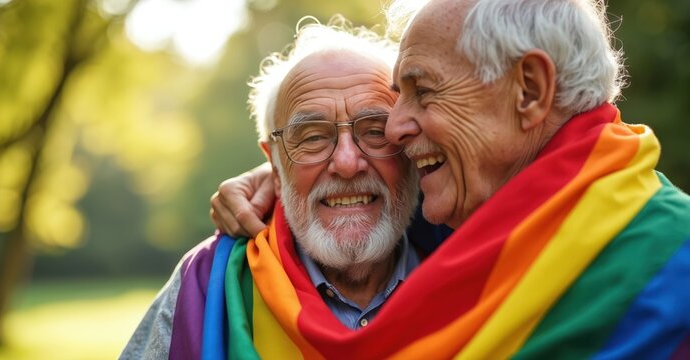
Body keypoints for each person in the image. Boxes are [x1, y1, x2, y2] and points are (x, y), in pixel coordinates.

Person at [211, 0, 690, 358]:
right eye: (311, 137)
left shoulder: (670, 259)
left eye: (423, 91)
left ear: (529, 90)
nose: (396, 129)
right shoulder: (222, 283)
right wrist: (288, 169)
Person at [121, 17, 423, 359]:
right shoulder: (210, 286)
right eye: (312, 137)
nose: (347, 163)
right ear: (275, 166)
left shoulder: (474, 274)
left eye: (375, 131)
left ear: (412, 144)